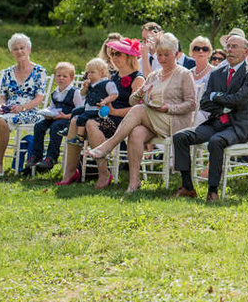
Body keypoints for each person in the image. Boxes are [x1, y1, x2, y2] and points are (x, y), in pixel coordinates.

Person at [84, 33, 197, 194]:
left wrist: (168, 108)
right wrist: (140, 93)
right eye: (159, 55)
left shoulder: (184, 74)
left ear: (175, 54)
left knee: (139, 109)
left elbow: (191, 104)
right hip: (153, 119)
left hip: (174, 121)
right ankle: (134, 182)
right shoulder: (153, 75)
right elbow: (132, 101)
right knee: (136, 132)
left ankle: (109, 145)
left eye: (166, 55)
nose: (162, 58)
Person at [171, 33, 248, 202]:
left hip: (238, 126)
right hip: (216, 122)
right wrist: (225, 104)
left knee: (216, 141)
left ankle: (212, 190)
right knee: (180, 137)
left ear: (246, 51)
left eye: (234, 47)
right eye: (228, 46)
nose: (230, 50)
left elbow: (241, 100)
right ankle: (187, 186)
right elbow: (204, 103)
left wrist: (216, 96)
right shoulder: (217, 73)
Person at [57, 38, 145, 188]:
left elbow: (139, 110)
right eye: (112, 54)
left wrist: (114, 111)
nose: (114, 57)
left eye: (118, 54)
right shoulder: (112, 77)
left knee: (91, 124)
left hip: (123, 120)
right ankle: (70, 172)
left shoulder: (138, 79)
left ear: (129, 57)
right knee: (74, 120)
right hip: (102, 115)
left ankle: (104, 173)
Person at [0, 33, 46, 176]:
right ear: (12, 52)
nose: (19, 51)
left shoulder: (39, 71)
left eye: (22, 48)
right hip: (8, 109)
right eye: (15, 49)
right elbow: (1, 95)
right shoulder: (7, 72)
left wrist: (22, 107)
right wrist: (1, 106)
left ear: (29, 49)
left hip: (28, 111)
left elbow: (39, 98)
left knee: (3, 122)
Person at [29, 62, 83, 173]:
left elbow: (80, 110)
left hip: (68, 120)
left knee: (56, 127)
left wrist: (66, 116)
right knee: (39, 126)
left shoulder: (75, 92)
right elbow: (52, 108)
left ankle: (51, 157)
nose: (61, 78)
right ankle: (36, 155)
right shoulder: (55, 93)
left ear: (71, 78)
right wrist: (47, 114)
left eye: (64, 76)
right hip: (55, 117)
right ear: (54, 77)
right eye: (58, 76)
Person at [65, 58, 119, 146]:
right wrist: (85, 87)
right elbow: (82, 95)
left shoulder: (107, 83)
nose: (89, 75)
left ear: (102, 73)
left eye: (92, 72)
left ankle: (80, 137)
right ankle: (68, 129)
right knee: (75, 111)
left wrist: (105, 101)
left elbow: (114, 94)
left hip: (96, 109)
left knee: (82, 117)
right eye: (88, 72)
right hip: (88, 106)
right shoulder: (90, 84)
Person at [188, 36, 217, 125]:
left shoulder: (215, 73)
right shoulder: (188, 73)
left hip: (205, 114)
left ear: (209, 53)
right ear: (192, 52)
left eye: (205, 49)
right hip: (187, 110)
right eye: (197, 49)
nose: (201, 51)